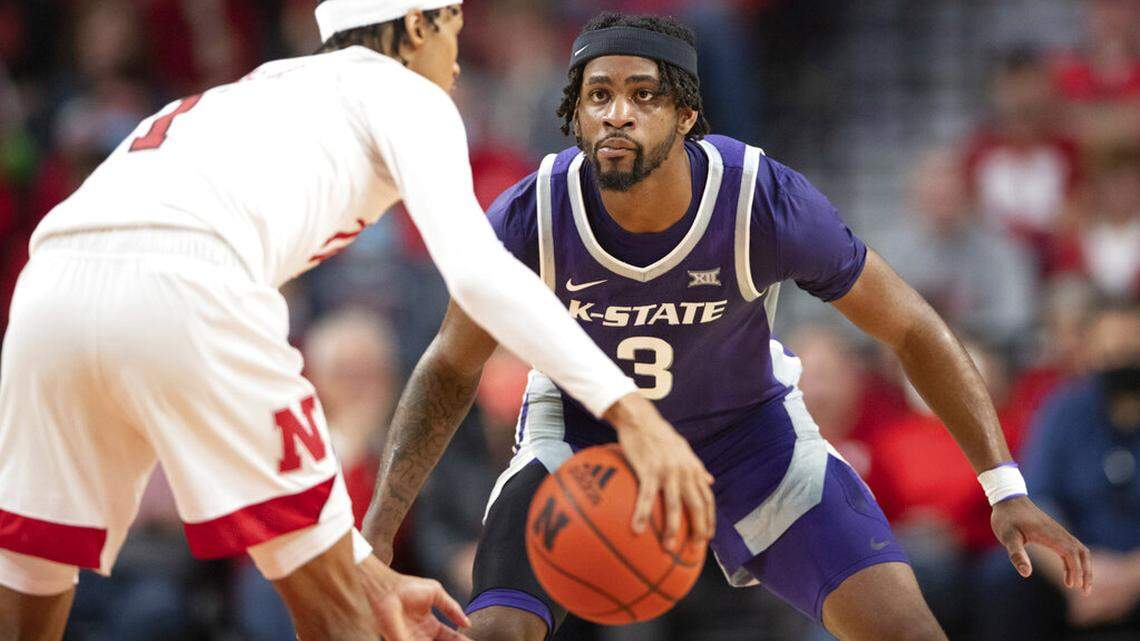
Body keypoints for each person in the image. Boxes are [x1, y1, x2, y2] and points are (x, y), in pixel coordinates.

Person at [362, 12, 1094, 641]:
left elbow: (912, 327)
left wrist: (1004, 486)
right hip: (585, 440)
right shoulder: (532, 215)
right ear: (575, 114)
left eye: (642, 95)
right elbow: (450, 366)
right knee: (495, 631)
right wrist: (380, 529)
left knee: (908, 629)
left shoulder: (760, 201)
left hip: (748, 435)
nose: (617, 113)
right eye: (598, 96)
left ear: (685, 115)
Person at [0, 1, 716, 639]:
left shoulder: (253, 92)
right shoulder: (402, 89)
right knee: (343, 622)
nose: (458, 60)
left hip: (46, 290)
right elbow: (477, 272)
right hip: (187, 279)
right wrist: (632, 412)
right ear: (414, 28)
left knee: (27, 588)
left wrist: (366, 569)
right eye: (453, 31)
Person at [974, 300, 1140, 641]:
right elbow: (1034, 501)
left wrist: (1130, 578)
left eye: (1131, 353)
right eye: (1111, 353)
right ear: (1090, 352)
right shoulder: (1064, 409)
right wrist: (1079, 573)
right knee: (1002, 576)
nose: (1121, 364)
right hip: (1073, 566)